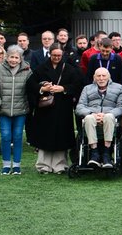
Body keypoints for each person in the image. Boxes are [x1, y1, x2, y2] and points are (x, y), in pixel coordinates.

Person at [25, 45, 81, 174]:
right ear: (50, 54)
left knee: (61, 136)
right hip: (45, 108)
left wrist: (63, 89)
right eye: (54, 55)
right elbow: (30, 84)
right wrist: (42, 89)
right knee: (44, 136)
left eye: (59, 55)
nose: (56, 58)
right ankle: (43, 165)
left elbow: (77, 85)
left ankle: (60, 165)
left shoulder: (70, 69)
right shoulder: (40, 68)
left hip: (63, 108)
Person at [0, 45, 32, 175]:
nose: (13, 60)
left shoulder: (27, 70)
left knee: (18, 136)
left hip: (21, 110)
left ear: (20, 59)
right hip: (3, 110)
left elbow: (31, 88)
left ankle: (17, 166)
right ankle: (6, 165)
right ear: (7, 57)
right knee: (6, 136)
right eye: (11, 57)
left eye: (16, 57)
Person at [76, 67, 122, 169]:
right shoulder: (87, 88)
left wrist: (105, 114)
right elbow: (79, 107)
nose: (101, 78)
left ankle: (106, 153)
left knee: (108, 116)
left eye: (104, 76)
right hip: (92, 117)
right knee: (89, 118)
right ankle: (94, 153)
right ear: (94, 77)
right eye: (98, 76)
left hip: (110, 118)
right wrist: (92, 113)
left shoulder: (119, 88)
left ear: (109, 77)